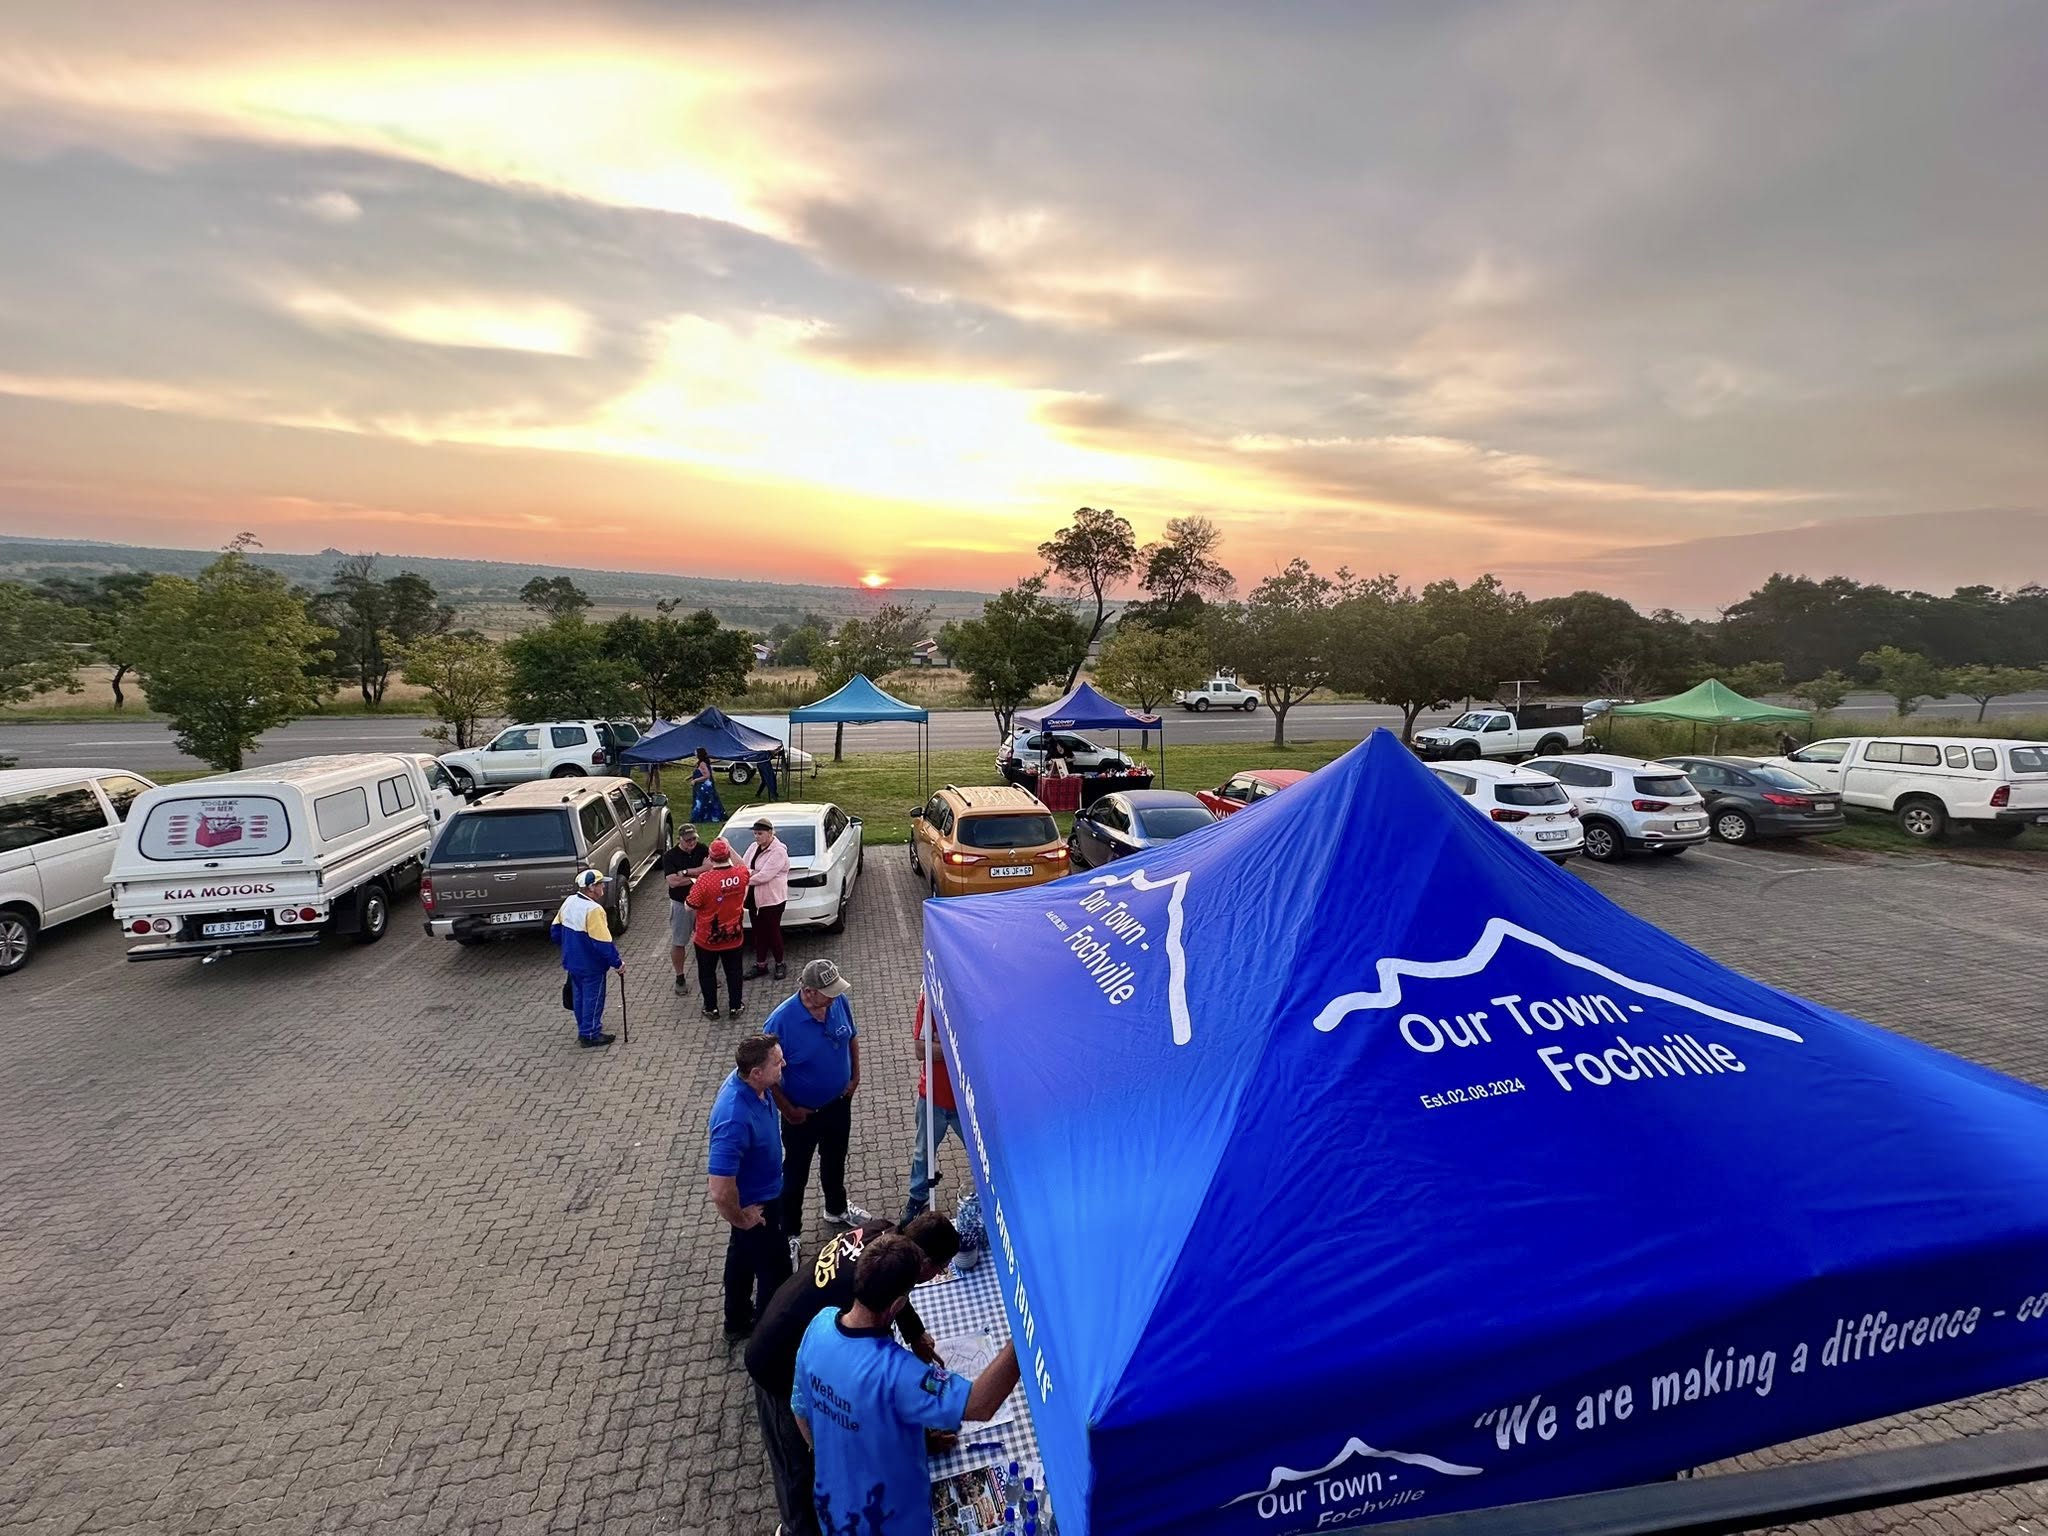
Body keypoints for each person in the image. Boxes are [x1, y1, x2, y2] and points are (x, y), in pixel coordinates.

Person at [744, 1214, 960, 1536]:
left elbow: (899, 1296)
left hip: (790, 1317)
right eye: (941, 1267)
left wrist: (914, 1333)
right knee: (797, 1467)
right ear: (924, 1262)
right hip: (775, 1358)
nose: (940, 1274)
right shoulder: (868, 1310)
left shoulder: (885, 1238)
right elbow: (878, 1395)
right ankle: (794, 1529)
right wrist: (924, 1439)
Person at [791, 1236, 1021, 1536]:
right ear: (898, 1304)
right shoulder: (899, 1372)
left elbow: (800, 1409)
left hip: (833, 1508)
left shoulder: (819, 1325)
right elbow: (979, 1403)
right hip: (891, 1520)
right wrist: (1025, 1333)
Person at [767, 959, 867, 1256]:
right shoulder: (780, 1022)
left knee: (835, 1159)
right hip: (802, 1115)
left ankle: (835, 1209)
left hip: (838, 1104)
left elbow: (852, 1038)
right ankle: (790, 1232)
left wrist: (855, 1077)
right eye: (828, 992)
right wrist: (788, 1110)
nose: (834, 997)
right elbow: (768, 1074)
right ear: (809, 992)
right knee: (796, 1172)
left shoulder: (838, 1002)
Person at [709, 1034, 793, 1342]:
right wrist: (742, 1218)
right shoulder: (733, 1118)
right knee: (776, 1273)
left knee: (741, 1258)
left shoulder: (756, 1084)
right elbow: (719, 1189)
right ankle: (769, 1336)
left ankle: (736, 1320)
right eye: (777, 1062)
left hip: (765, 1195)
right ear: (756, 1072)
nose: (784, 1063)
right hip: (759, 1208)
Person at [900, 990, 964, 1225]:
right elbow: (920, 1050)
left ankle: (989, 1198)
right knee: (923, 1152)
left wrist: (938, 1045)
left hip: (966, 1102)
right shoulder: (930, 999)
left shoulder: (972, 999)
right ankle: (917, 1197)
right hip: (932, 1097)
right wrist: (959, 1045)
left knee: (982, 1156)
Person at [549, 868, 622, 1049]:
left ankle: (583, 1028)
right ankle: (590, 1034)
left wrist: (569, 948)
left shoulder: (569, 901)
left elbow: (555, 931)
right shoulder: (594, 910)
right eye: (600, 884)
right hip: (591, 964)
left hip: (572, 961)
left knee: (579, 996)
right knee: (593, 998)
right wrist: (617, 963)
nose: (603, 886)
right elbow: (602, 942)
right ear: (591, 888)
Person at [687, 837, 751, 1021]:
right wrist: (730, 847)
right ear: (728, 854)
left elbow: (690, 905)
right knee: (734, 972)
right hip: (734, 936)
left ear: (710, 857)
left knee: (707, 974)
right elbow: (744, 866)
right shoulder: (740, 874)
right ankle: (735, 1006)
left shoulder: (704, 880)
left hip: (707, 939)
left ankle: (711, 1008)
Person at [742, 817, 792, 982]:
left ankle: (780, 963)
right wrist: (750, 873)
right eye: (755, 833)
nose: (757, 837)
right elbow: (744, 866)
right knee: (758, 932)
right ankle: (761, 964)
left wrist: (746, 877)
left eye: (760, 833)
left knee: (773, 931)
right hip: (754, 897)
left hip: (772, 899)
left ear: (770, 833)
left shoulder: (778, 852)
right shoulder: (753, 846)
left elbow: (765, 876)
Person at [663, 824, 710, 993]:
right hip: (681, 904)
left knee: (706, 940)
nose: (692, 842)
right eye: (687, 840)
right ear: (679, 839)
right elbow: (673, 882)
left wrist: (685, 872)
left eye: (694, 839)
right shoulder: (670, 856)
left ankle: (707, 973)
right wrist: (697, 876)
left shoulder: (703, 849)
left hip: (703, 903)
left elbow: (710, 868)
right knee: (679, 941)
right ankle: (680, 977)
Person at [690, 745, 727, 825]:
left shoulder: (702, 764)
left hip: (704, 786)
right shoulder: (702, 763)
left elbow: (707, 775)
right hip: (704, 785)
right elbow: (700, 773)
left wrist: (695, 780)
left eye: (696, 752)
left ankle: (703, 817)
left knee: (703, 801)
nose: (695, 753)